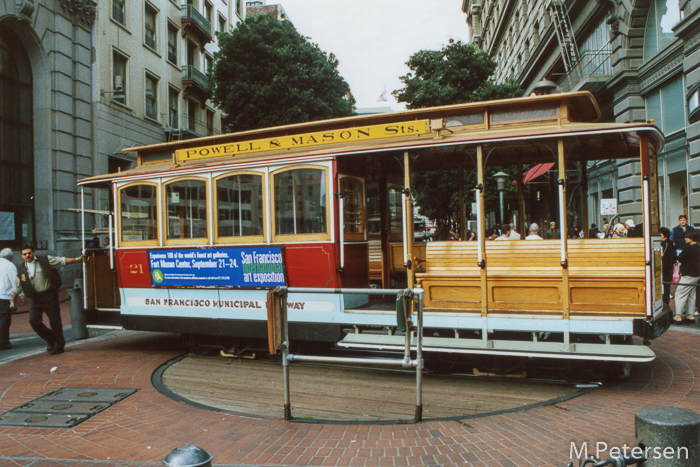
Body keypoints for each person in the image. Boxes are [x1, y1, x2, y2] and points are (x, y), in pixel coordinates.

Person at [13, 243, 86, 355]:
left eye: (29, 253)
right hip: (36, 298)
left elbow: (61, 261)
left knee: (55, 321)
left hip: (49, 295)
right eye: (24, 254)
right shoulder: (20, 268)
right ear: (21, 255)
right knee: (33, 321)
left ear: (33, 253)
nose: (27, 255)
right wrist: (12, 299)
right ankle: (51, 339)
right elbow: (17, 285)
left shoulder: (45, 260)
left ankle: (59, 344)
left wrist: (77, 259)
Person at [673, 230, 700, 324]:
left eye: (687, 237)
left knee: (679, 294)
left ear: (692, 238)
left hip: (687, 275)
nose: (685, 239)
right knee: (691, 295)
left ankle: (678, 316)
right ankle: (690, 315)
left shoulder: (689, 248)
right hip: (696, 275)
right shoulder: (698, 247)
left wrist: (677, 259)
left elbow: (681, 257)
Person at [0, 248, 17, 350]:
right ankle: (3, 342)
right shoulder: (10, 265)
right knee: (4, 321)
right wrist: (22, 295)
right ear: (10, 257)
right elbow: (16, 283)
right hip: (5, 297)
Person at [660, 227, 676, 305]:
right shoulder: (671, 244)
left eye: (660, 235)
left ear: (665, 236)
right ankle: (666, 305)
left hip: (664, 270)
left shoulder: (663, 244)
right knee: (667, 289)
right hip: (669, 270)